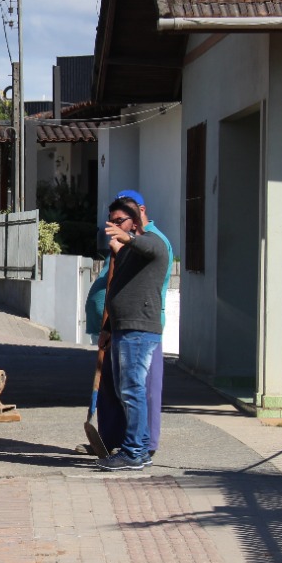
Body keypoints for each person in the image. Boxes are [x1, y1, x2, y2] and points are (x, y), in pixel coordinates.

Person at [86, 190, 174, 458]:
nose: (113, 226)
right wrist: (108, 328)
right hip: (121, 328)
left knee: (137, 391)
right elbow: (117, 288)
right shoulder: (125, 251)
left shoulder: (154, 242)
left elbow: (151, 247)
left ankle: (137, 450)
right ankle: (131, 446)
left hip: (140, 330)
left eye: (120, 221)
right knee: (125, 391)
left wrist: (128, 239)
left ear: (136, 220)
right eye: (110, 221)